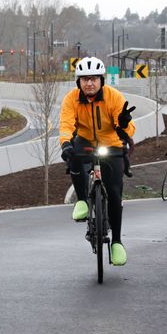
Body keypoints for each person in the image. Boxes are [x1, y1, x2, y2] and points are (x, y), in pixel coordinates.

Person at [59, 56, 135, 266]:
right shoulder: (71, 99)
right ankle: (82, 199)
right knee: (73, 153)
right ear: (79, 82)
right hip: (85, 139)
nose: (89, 83)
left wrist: (124, 123)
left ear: (101, 80)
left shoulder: (114, 97)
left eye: (93, 79)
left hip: (110, 142)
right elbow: (66, 125)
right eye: (85, 79)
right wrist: (65, 144)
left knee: (115, 192)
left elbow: (128, 130)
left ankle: (117, 243)